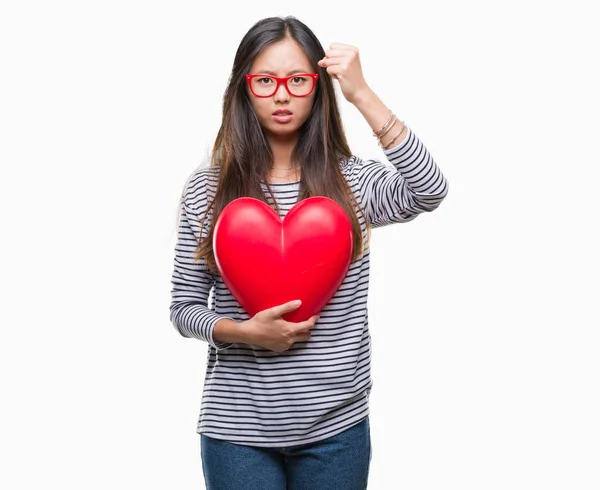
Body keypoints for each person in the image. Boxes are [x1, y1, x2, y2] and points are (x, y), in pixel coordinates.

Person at [169, 15, 449, 490]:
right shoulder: (208, 190)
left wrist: (362, 94)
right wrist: (244, 332)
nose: (282, 94)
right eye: (265, 81)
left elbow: (428, 189)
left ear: (319, 88)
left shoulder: (353, 184)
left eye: (298, 80)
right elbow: (183, 308)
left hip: (337, 431)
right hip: (238, 432)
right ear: (244, 88)